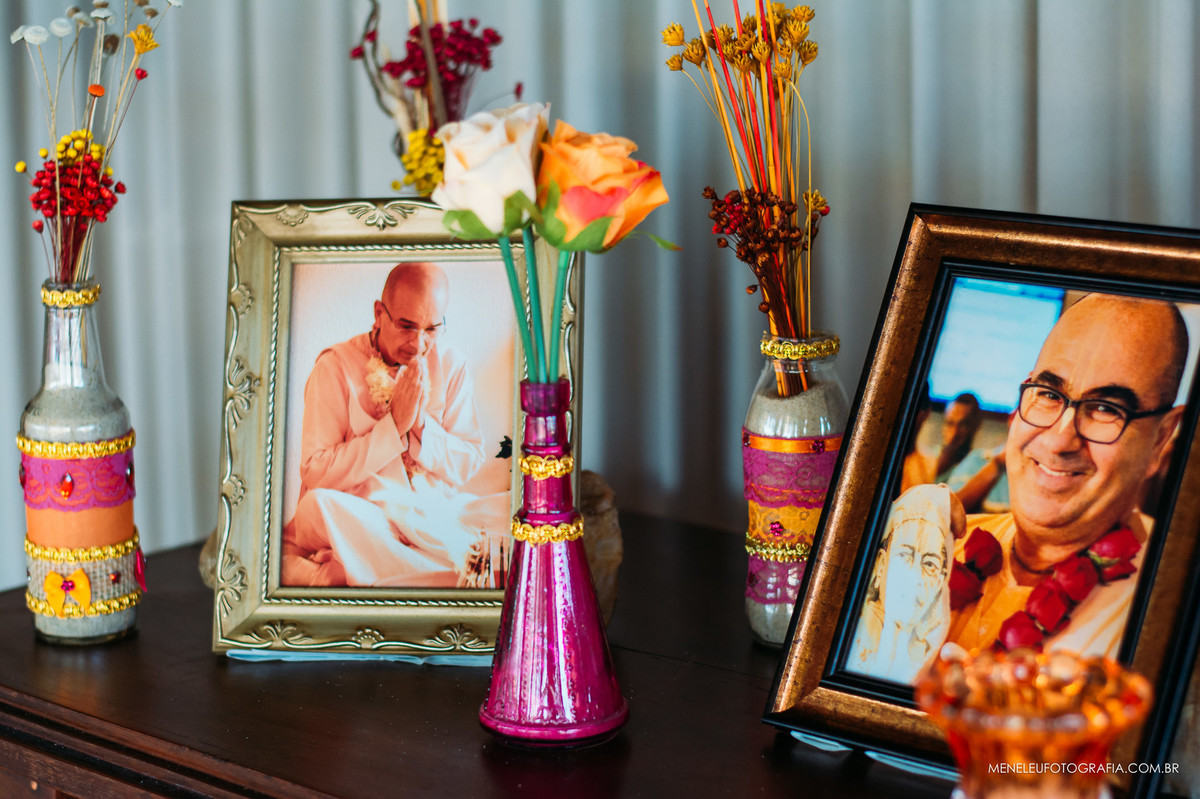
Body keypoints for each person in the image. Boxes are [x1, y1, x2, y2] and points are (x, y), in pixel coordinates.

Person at [944, 294, 1188, 657]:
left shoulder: (1171, 608)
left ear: (1160, 439)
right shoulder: (935, 546)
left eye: (1106, 408)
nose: (1059, 440)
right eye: (1048, 393)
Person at [281, 262, 505, 588]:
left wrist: (420, 425)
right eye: (406, 326)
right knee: (318, 507)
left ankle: (374, 571)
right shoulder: (335, 367)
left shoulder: (452, 365)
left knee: (508, 510)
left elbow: (468, 461)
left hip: (432, 513)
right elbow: (315, 472)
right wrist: (394, 426)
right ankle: (455, 575)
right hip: (365, 514)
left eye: (431, 329)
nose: (418, 344)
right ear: (379, 314)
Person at [849, 484, 963, 683]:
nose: (915, 576)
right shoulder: (848, 643)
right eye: (904, 555)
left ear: (939, 583)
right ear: (881, 564)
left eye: (929, 564)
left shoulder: (932, 668)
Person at [934, 393, 982, 480]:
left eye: (962, 425)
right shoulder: (928, 459)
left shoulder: (977, 469)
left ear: (975, 426)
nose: (954, 433)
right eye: (950, 423)